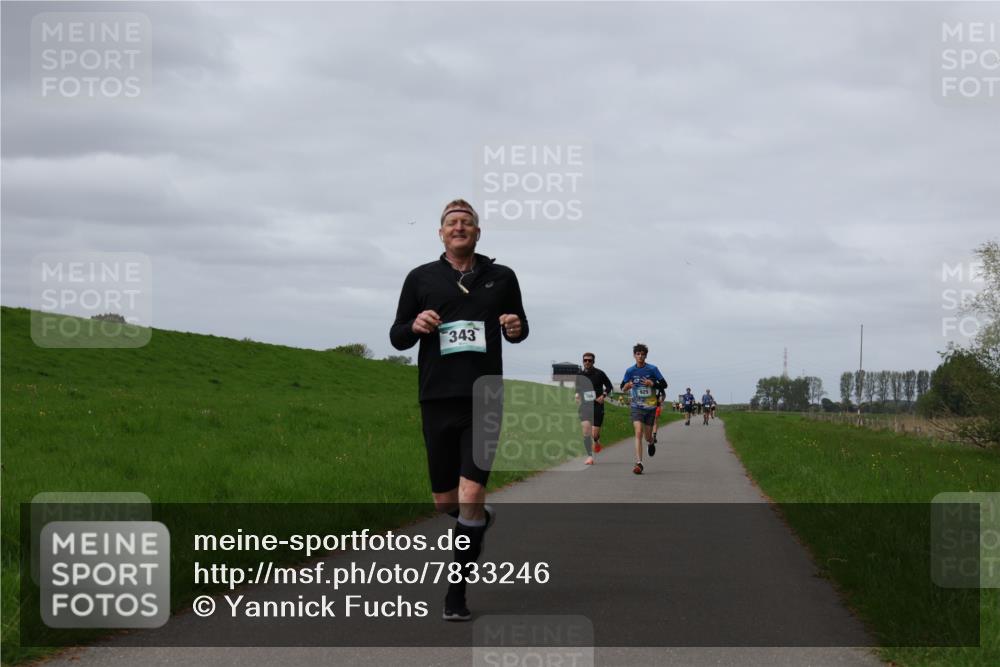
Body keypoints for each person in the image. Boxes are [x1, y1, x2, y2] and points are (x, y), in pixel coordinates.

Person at [390, 198, 528, 621]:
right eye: (452, 222)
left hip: (485, 398)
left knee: (469, 492)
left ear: (478, 232)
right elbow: (397, 336)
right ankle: (478, 520)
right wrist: (414, 326)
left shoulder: (501, 276)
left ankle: (456, 594)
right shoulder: (420, 278)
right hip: (436, 398)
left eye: (467, 222)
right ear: (441, 232)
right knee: (445, 501)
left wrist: (515, 327)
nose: (460, 227)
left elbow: (521, 328)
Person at [620, 343, 668, 474]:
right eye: (638, 354)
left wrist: (653, 383)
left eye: (643, 354)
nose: (640, 356)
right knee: (638, 432)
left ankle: (651, 442)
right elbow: (622, 387)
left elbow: (664, 384)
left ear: (646, 356)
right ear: (634, 355)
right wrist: (627, 386)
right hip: (636, 406)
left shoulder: (652, 369)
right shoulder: (630, 371)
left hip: (650, 407)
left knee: (647, 437)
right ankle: (639, 463)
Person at [575, 352, 614, 465]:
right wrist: (577, 396)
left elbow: (609, 386)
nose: (587, 362)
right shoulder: (579, 375)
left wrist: (604, 395)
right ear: (583, 361)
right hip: (585, 406)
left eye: (589, 360)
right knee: (586, 432)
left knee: (594, 434)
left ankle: (596, 440)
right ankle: (589, 457)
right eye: (585, 360)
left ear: (593, 361)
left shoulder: (600, 373)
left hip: (597, 406)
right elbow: (577, 389)